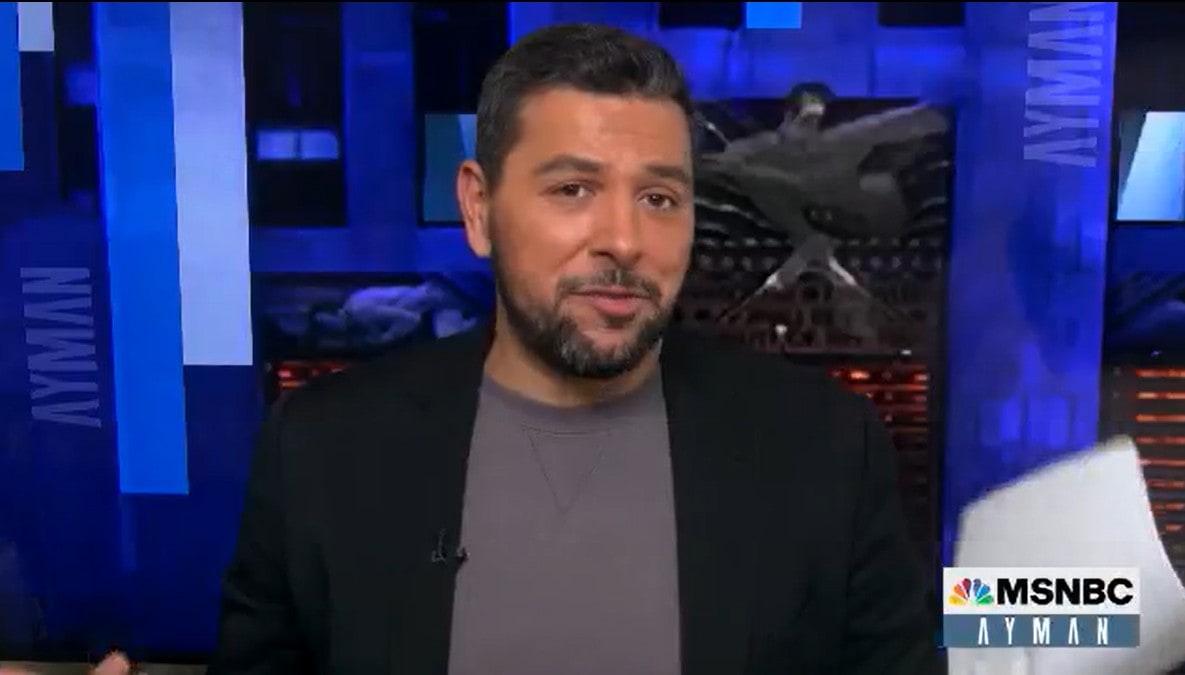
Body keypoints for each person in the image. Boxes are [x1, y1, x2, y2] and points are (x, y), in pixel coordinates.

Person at [209, 23, 941, 675]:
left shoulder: (825, 450)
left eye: (659, 198)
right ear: (478, 209)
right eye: (572, 189)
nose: (623, 240)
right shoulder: (321, 453)